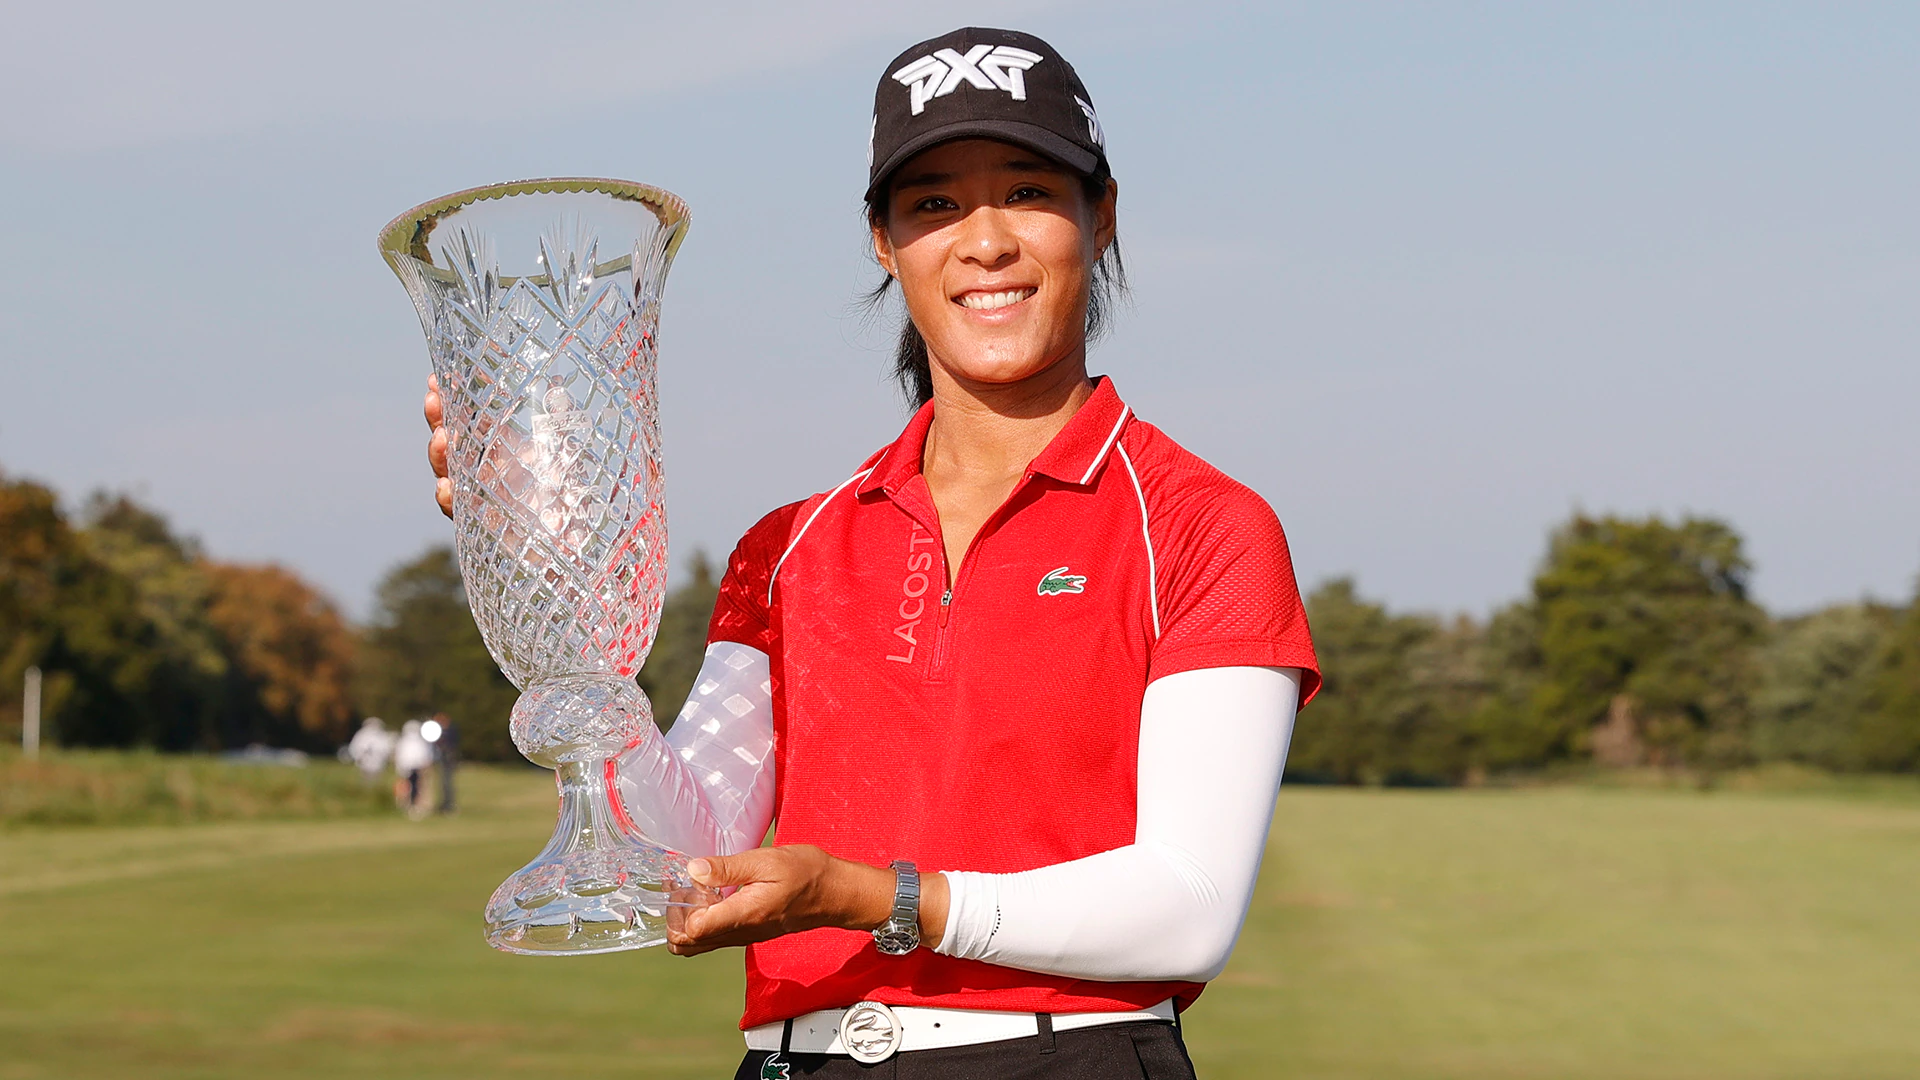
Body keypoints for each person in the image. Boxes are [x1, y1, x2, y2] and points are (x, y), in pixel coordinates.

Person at [423, 27, 1317, 1078]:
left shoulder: (1202, 524)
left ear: (1101, 216)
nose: (984, 242)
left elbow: (1188, 909)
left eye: (1027, 191)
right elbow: (688, 848)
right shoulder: (789, 544)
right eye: (933, 205)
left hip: (1062, 1058)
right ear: (884, 244)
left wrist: (874, 898)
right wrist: (555, 572)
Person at [392, 718, 434, 821]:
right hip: (411, 767)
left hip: (413, 767)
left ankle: (412, 804)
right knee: (409, 786)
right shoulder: (413, 741)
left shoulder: (408, 741)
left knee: (414, 786)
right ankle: (408, 804)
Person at [343, 716, 394, 785]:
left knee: (376, 780)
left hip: (378, 762)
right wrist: (359, 756)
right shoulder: (362, 735)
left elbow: (386, 748)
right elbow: (356, 747)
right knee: (366, 779)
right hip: (366, 762)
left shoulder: (381, 735)